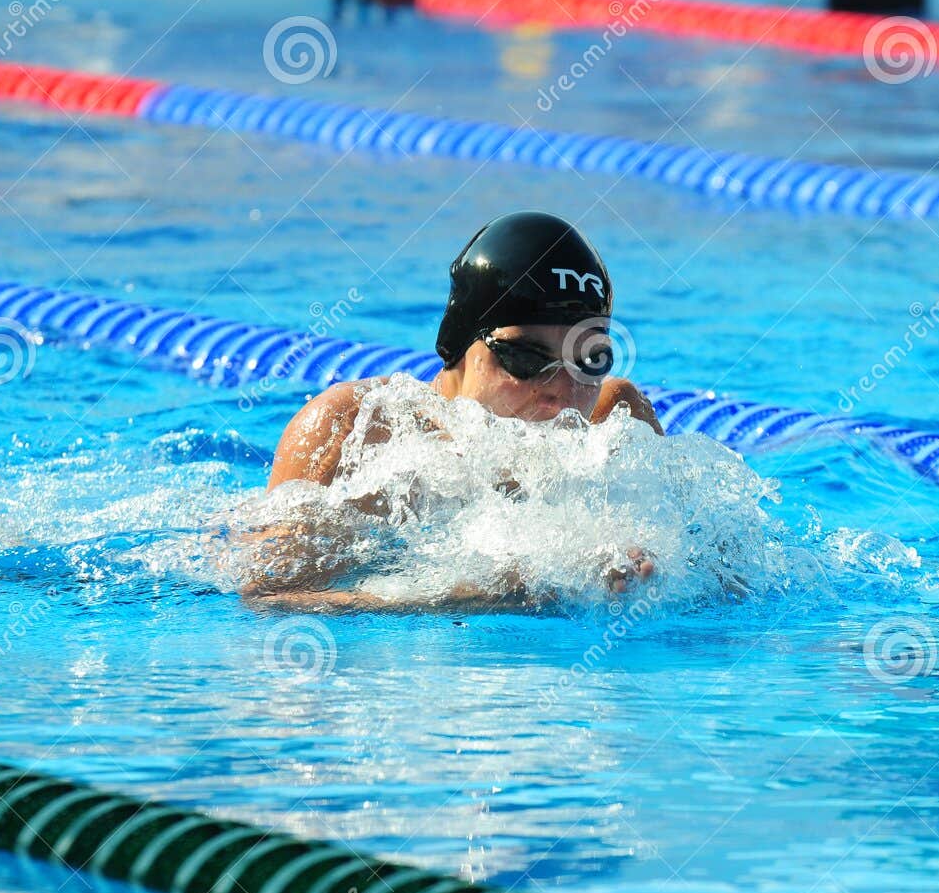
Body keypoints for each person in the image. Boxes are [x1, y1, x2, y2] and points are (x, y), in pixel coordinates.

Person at [245, 211, 664, 608]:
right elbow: (270, 599)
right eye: (524, 358)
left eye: (589, 362)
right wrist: (488, 592)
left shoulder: (615, 417)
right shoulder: (354, 430)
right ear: (457, 344)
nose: (561, 392)